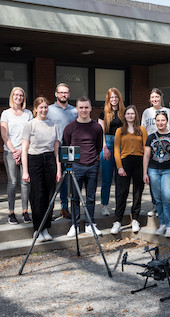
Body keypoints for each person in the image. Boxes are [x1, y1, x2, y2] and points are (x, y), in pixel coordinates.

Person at [21, 97, 61, 242]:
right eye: (41, 107)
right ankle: (38, 228)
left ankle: (46, 227)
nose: (44, 110)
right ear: (36, 109)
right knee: (37, 195)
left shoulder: (53, 125)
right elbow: (24, 149)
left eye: (46, 107)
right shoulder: (30, 125)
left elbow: (56, 149)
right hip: (34, 160)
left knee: (50, 195)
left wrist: (58, 169)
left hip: (50, 160)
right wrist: (25, 170)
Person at [63, 96, 103, 237]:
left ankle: (89, 224)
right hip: (76, 168)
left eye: (86, 107)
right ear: (77, 109)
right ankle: (74, 224)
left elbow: (98, 147)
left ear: (91, 108)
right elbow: (66, 146)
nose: (84, 110)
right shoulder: (70, 127)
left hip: (92, 166)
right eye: (81, 107)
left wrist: (92, 159)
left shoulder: (97, 127)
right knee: (74, 198)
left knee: (91, 198)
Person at [143, 111, 170, 238]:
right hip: (153, 170)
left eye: (163, 120)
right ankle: (162, 223)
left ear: (167, 121)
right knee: (158, 198)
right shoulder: (151, 137)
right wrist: (145, 173)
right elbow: (147, 155)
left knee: (167, 197)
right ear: (155, 121)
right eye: (158, 120)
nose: (160, 123)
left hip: (169, 170)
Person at [111, 105, 148, 234]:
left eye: (132, 113)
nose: (130, 116)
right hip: (125, 162)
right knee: (122, 192)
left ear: (135, 115)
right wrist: (119, 167)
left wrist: (145, 168)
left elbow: (146, 149)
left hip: (139, 162)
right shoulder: (119, 131)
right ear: (125, 116)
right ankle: (117, 221)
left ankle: (135, 219)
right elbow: (116, 150)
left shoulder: (142, 130)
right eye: (128, 114)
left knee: (138, 192)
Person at [0, 87, 33, 225]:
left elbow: (32, 133)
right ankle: (11, 213)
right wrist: (14, 151)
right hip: (10, 152)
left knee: (25, 182)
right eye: (16, 95)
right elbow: (4, 134)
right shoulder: (6, 113)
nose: (18, 97)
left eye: (21, 95)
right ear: (12, 96)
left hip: (25, 151)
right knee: (13, 182)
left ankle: (25, 211)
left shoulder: (28, 114)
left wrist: (21, 151)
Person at [141, 88, 170, 217]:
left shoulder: (168, 111)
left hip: (165, 147)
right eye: (152, 97)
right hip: (151, 147)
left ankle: (165, 206)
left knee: (165, 180)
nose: (155, 99)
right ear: (150, 99)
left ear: (161, 97)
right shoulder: (146, 112)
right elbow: (143, 129)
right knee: (153, 177)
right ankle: (155, 204)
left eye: (157, 97)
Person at [46, 83, 78, 219]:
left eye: (66, 92)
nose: (63, 95)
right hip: (52, 148)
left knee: (67, 180)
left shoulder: (74, 111)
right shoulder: (49, 110)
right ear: (56, 94)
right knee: (52, 179)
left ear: (69, 94)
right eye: (61, 92)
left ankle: (65, 208)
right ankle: (49, 209)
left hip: (68, 148)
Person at [97, 88, 124, 216]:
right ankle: (104, 205)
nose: (114, 100)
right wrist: (104, 147)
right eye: (111, 97)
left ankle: (119, 205)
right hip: (107, 143)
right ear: (108, 99)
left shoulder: (124, 112)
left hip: (122, 145)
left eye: (116, 97)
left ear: (119, 98)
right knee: (106, 178)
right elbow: (100, 132)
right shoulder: (103, 113)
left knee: (120, 178)